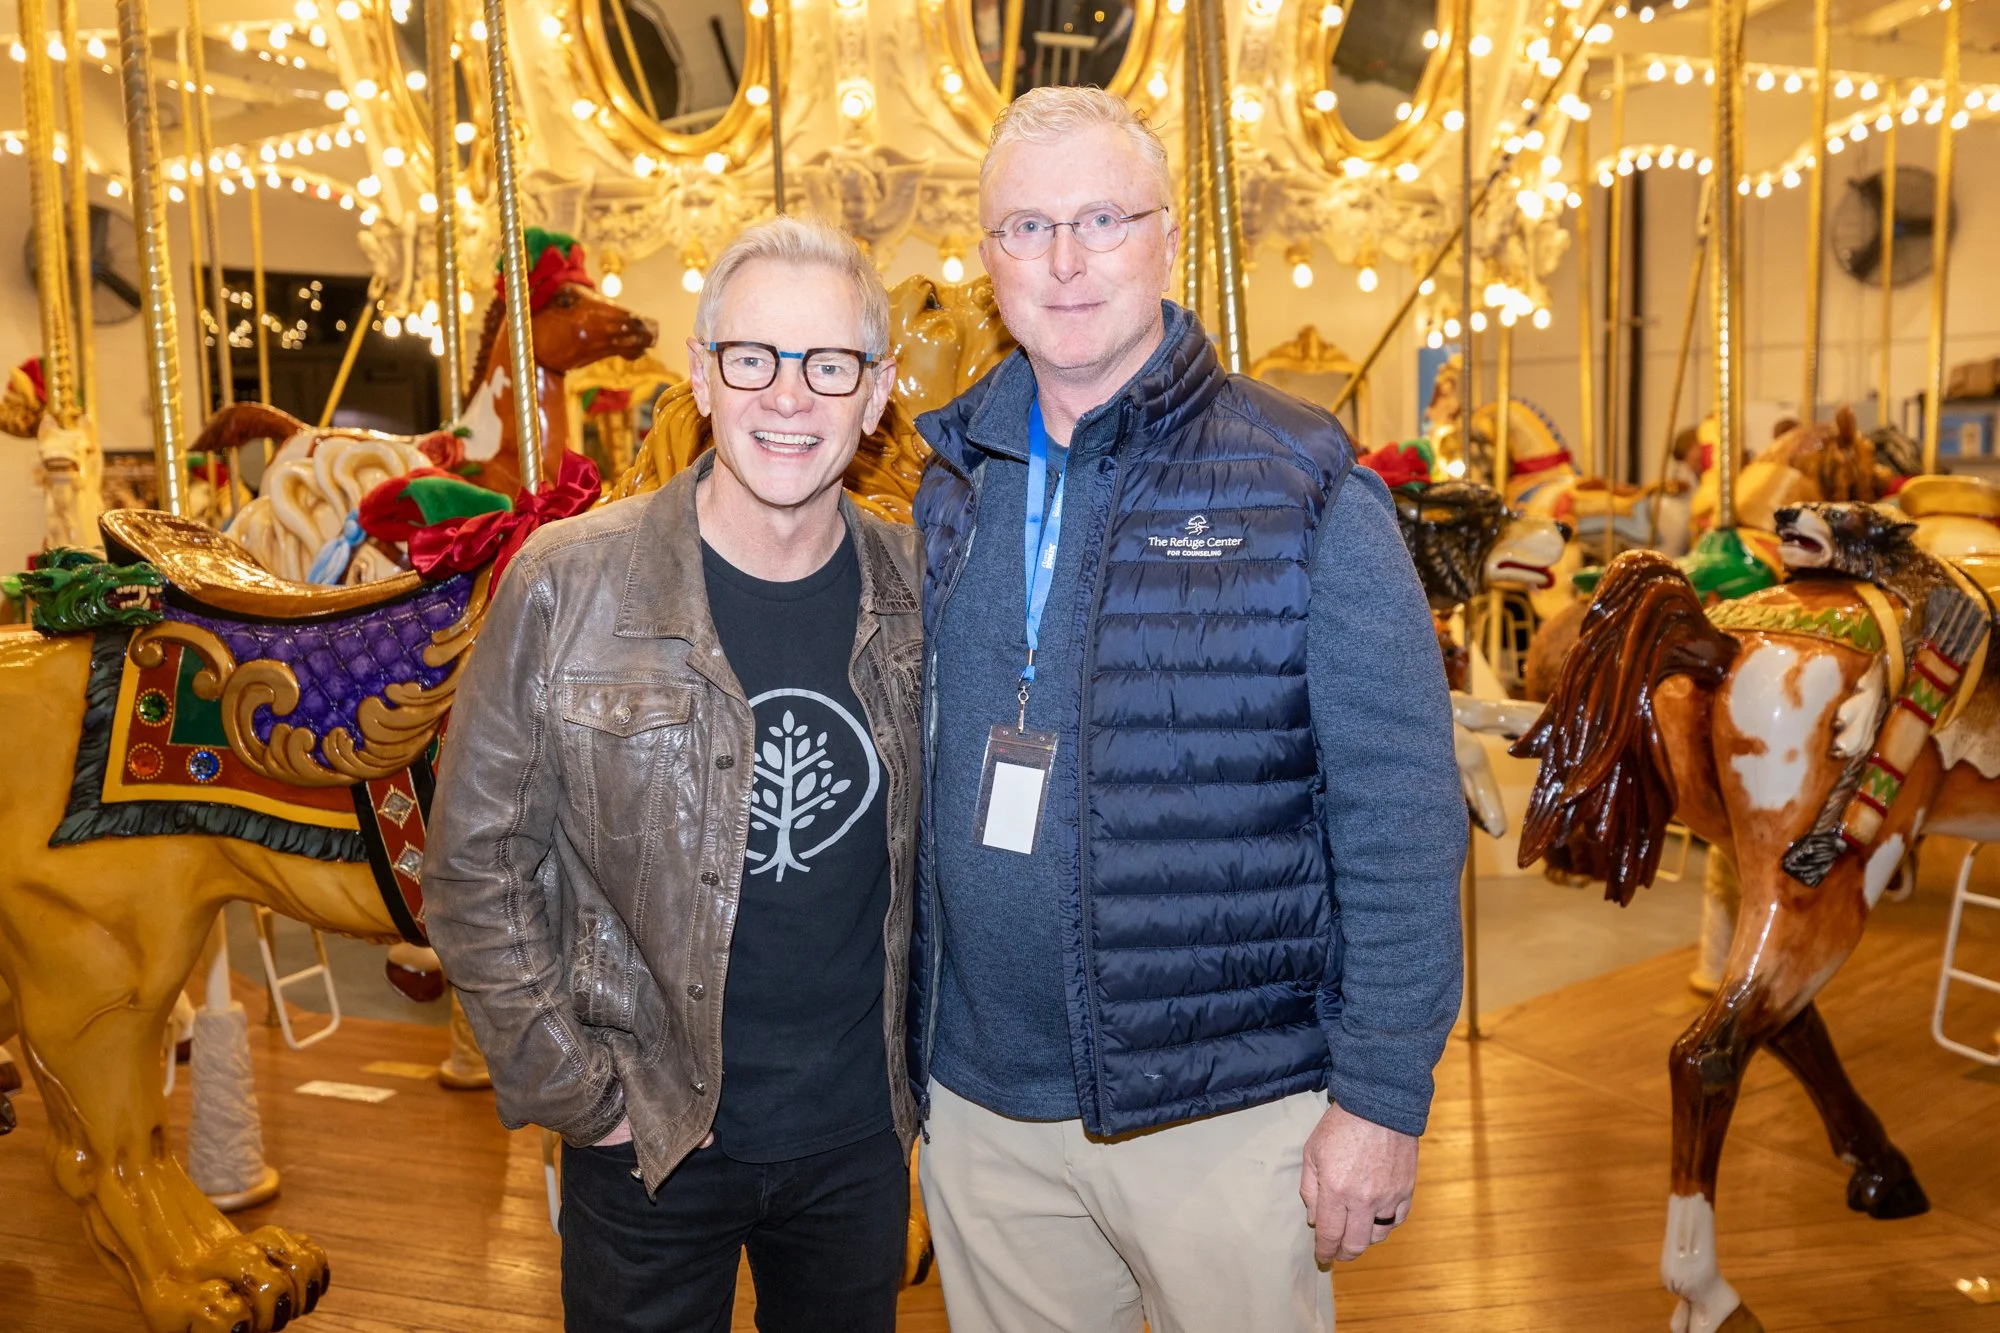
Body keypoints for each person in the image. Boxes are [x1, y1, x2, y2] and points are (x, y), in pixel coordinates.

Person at [909, 87, 1465, 1332]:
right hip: (981, 1111)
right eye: (1024, 227)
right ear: (985, 255)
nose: (1063, 261)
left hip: (1224, 1111)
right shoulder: (950, 483)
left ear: (1168, 237)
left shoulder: (1298, 477)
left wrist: (1379, 1093)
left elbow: (1399, 804)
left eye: (1101, 217)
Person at [424, 215, 923, 1333]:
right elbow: (474, 868)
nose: (787, 396)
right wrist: (576, 1092)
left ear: (876, 390)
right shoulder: (566, 583)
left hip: (855, 1135)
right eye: (752, 357)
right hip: (646, 1130)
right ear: (702, 375)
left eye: (828, 364)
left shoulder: (919, 588)